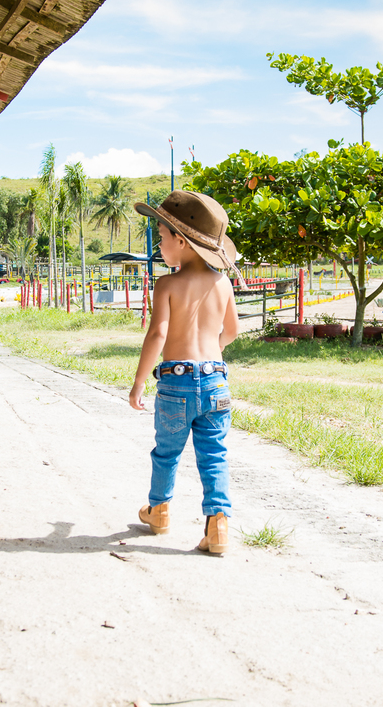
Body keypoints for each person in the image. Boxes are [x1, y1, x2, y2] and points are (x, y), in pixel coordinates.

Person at [129, 191, 240, 555]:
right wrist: (210, 355)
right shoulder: (222, 283)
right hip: (215, 380)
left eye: (161, 237)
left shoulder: (167, 284)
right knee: (214, 454)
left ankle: (159, 510)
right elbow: (232, 332)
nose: (159, 244)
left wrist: (139, 381)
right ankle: (218, 524)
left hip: (175, 382)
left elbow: (158, 334)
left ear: (182, 241)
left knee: (167, 452)